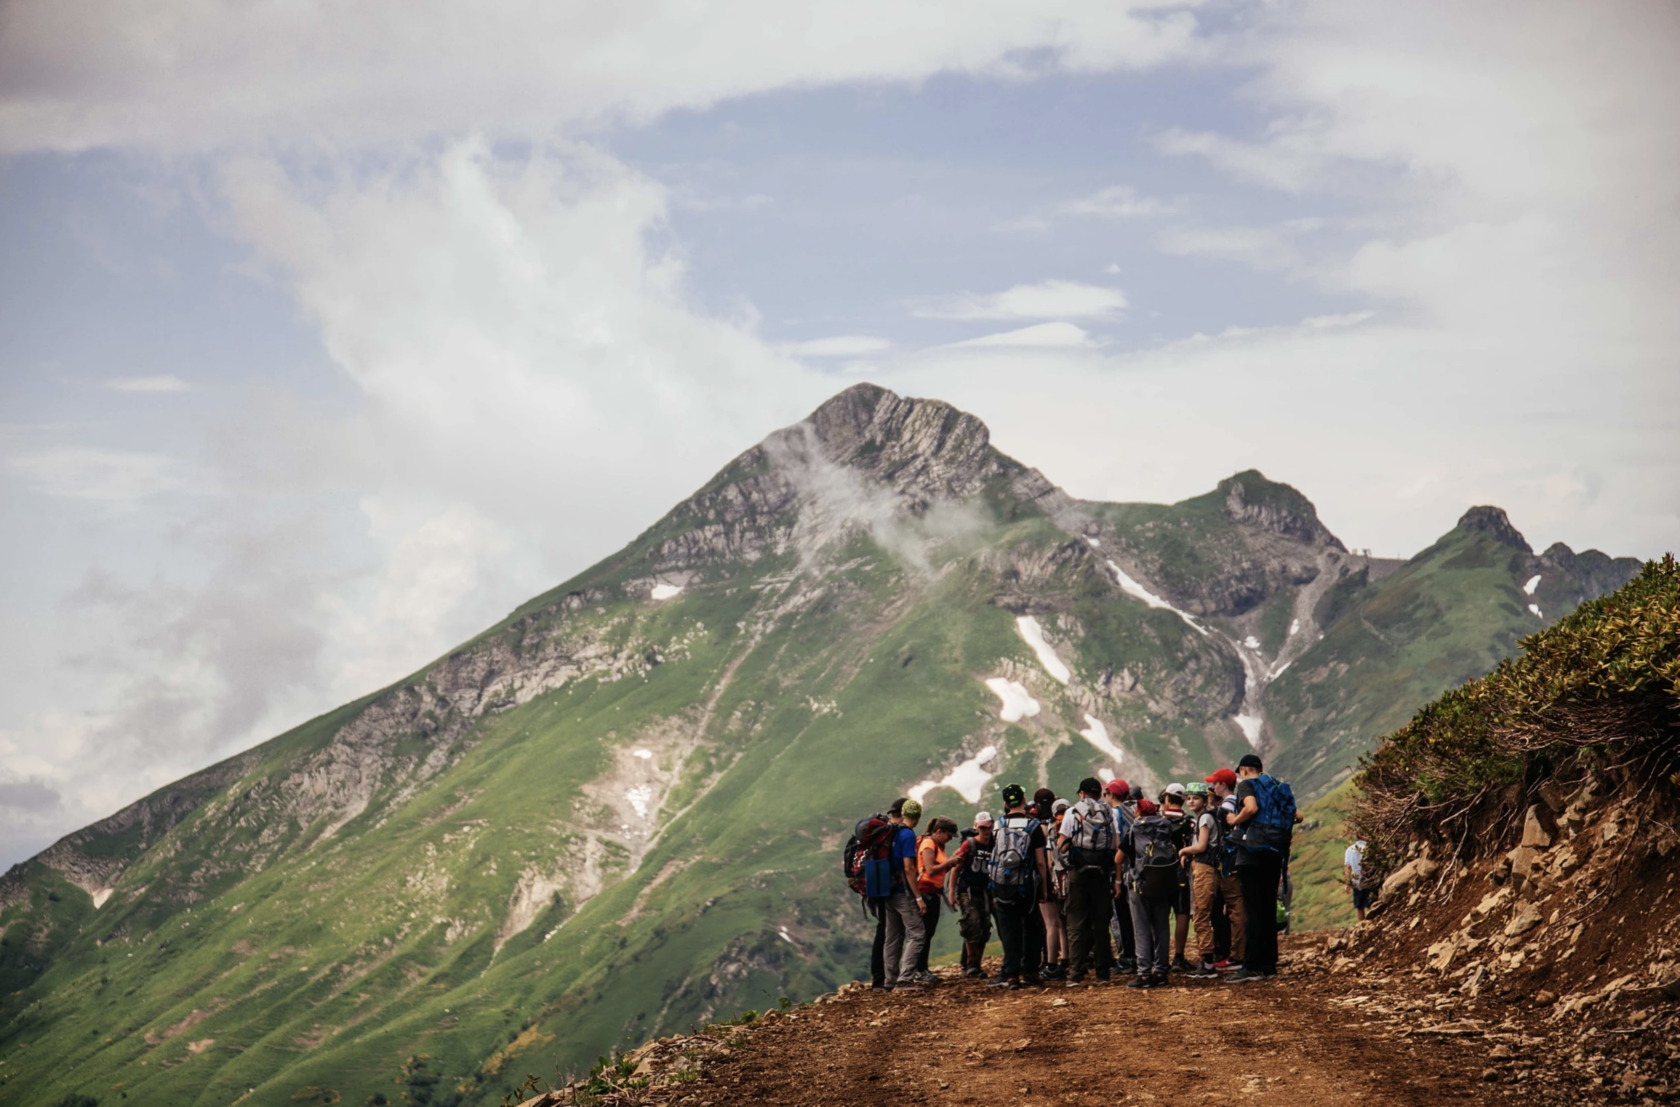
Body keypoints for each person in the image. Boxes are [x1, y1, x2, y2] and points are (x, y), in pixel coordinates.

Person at [1225, 754, 1298, 983]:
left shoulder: (1248, 785)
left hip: (1251, 854)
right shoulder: (1275, 786)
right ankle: (1268, 965)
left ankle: (1251, 965)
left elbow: (1251, 808)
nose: (1239, 776)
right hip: (1274, 854)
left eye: (1240, 772)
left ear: (1245, 769)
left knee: (1252, 910)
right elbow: (1298, 815)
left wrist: (1234, 820)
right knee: (1267, 909)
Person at [987, 783, 1050, 989]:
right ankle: (1030, 971)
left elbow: (993, 856)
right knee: (1032, 927)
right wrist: (1044, 888)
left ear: (1005, 804)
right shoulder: (1033, 826)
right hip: (1027, 885)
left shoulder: (998, 825)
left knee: (1008, 929)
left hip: (1003, 885)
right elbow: (1040, 861)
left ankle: (1011, 973)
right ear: (1024, 801)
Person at [1057, 777, 1117, 984]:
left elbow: (1062, 846)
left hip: (1078, 873)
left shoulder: (1071, 812)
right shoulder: (1109, 812)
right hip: (1101, 873)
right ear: (1099, 794)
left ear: (1082, 793)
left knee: (1075, 923)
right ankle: (1103, 974)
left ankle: (1075, 973)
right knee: (1100, 924)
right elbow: (1114, 845)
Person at [1121, 797, 1181, 988]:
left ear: (1138, 813)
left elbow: (1117, 858)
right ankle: (1161, 971)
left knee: (1141, 928)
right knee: (1162, 928)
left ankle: (1144, 974)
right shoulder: (1166, 828)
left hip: (1139, 885)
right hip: (1162, 884)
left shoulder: (1134, 831)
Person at [882, 798, 928, 991]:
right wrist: (918, 898)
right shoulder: (908, 835)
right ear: (916, 816)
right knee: (917, 933)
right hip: (902, 891)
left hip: (887, 890)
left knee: (892, 936)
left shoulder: (891, 830)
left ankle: (889, 981)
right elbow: (909, 868)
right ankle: (905, 980)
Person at [1178, 783, 1224, 977]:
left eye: (1195, 798)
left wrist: (1184, 850)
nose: (1190, 801)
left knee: (1200, 914)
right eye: (1188, 798)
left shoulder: (1205, 818)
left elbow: (1202, 846)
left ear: (1205, 801)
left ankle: (1207, 962)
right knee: (1205, 913)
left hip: (1204, 868)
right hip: (1211, 869)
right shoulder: (1211, 816)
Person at [1204, 768, 1246, 971]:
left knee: (1234, 906)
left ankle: (1237, 955)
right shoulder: (1238, 801)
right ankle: (1237, 952)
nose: (1213, 787)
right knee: (1234, 906)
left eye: (1215, 783)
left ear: (1223, 784)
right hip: (1236, 860)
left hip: (1230, 862)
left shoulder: (1227, 805)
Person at [913, 817, 962, 978]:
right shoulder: (928, 844)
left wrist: (950, 863)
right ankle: (919, 969)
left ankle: (922, 968)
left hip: (933, 892)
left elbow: (938, 871)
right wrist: (950, 862)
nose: (949, 839)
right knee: (924, 932)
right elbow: (930, 869)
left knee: (929, 932)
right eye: (948, 835)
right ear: (940, 832)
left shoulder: (939, 846)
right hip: (925, 892)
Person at [950, 813, 995, 977]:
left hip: (986, 890)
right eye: (982, 827)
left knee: (984, 926)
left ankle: (977, 963)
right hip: (967, 889)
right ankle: (970, 962)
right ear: (977, 827)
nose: (986, 831)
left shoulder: (994, 845)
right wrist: (952, 893)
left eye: (988, 827)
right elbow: (956, 870)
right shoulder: (969, 845)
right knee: (972, 922)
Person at [870, 797, 908, 990]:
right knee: (889, 933)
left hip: (876, 886)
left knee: (883, 930)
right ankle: (883, 979)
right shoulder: (894, 832)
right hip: (890, 888)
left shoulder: (881, 831)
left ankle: (879, 978)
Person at [1031, 788, 1067, 981]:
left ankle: (1051, 964)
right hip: (1064, 876)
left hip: (1048, 877)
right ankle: (1066, 960)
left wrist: (1043, 883)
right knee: (1062, 922)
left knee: (1050, 923)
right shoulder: (1059, 822)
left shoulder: (1037, 826)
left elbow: (1042, 859)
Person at [1103, 779, 1136, 972]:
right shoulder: (1131, 810)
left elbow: (1115, 844)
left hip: (1120, 869)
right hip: (1134, 868)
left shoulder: (1113, 813)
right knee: (1131, 915)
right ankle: (1136, 954)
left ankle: (1126, 957)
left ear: (1111, 795)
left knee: (1119, 916)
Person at [1160, 784, 1194, 972]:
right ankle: (1179, 957)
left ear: (1167, 798)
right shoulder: (1189, 821)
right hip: (1181, 871)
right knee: (1182, 913)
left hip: (1159, 872)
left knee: (1160, 915)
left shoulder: (1157, 819)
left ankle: (1161, 957)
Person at [1345, 837, 1374, 921]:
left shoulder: (1349, 849)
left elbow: (1348, 867)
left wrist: (1347, 883)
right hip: (1370, 880)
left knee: (1359, 906)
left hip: (1356, 882)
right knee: (1371, 904)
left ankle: (1362, 926)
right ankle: (1372, 924)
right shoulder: (1370, 849)